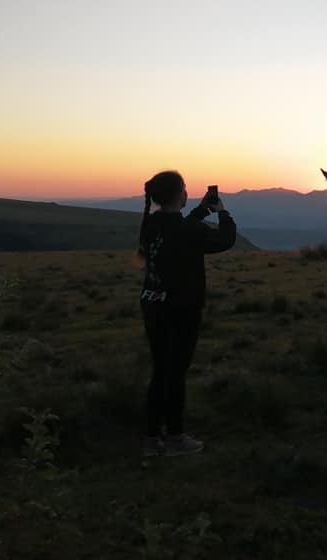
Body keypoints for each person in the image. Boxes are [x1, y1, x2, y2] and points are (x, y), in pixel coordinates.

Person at [136, 170, 236, 457]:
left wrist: (202, 210)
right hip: (182, 309)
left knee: (160, 370)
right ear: (179, 194)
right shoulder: (187, 231)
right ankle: (176, 437)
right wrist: (223, 212)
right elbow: (224, 240)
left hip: (152, 304)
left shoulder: (151, 223)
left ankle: (152, 437)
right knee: (176, 373)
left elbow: (178, 229)